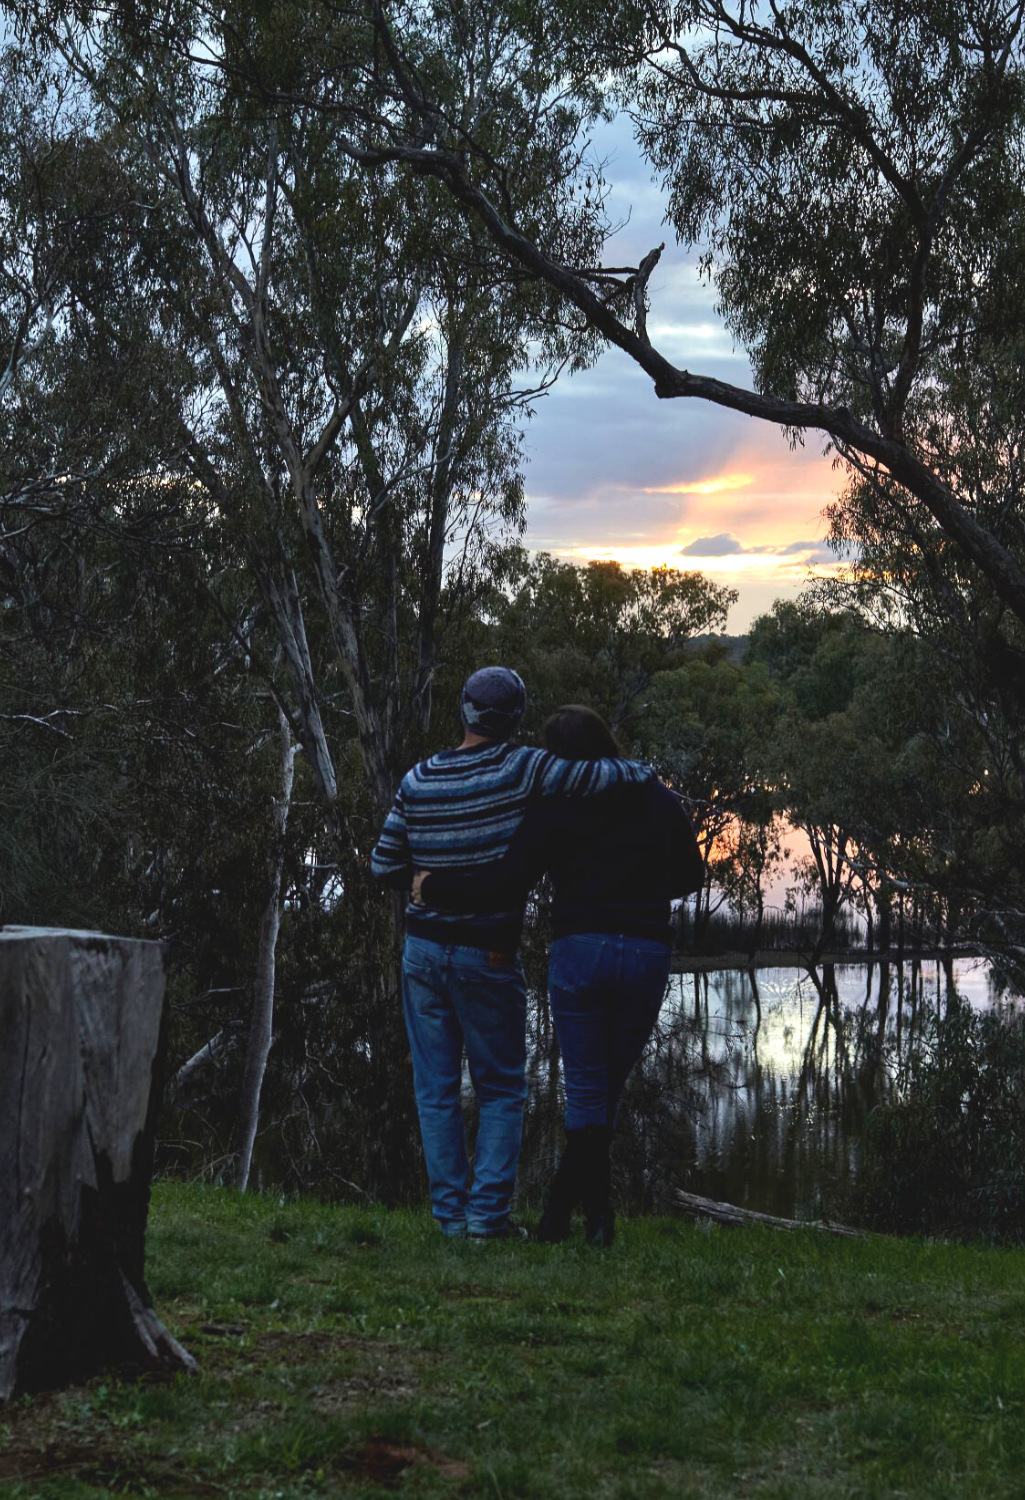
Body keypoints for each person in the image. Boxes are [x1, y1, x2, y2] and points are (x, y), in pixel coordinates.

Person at [370, 669, 653, 1242]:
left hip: (422, 954)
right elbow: (604, 774)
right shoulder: (524, 766)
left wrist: (427, 879)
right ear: (516, 718)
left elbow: (383, 866)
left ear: (464, 710)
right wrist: (642, 770)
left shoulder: (419, 777)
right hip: (488, 955)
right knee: (500, 1089)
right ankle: (486, 1222)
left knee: (436, 1090)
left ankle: (451, 1220)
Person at [414, 704, 703, 1247]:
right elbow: (692, 872)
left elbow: (507, 881)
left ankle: (584, 1217)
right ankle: (571, 1219)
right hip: (645, 953)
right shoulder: (653, 792)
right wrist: (637, 894)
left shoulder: (557, 805)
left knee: (589, 1091)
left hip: (579, 952)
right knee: (605, 1092)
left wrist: (431, 889)